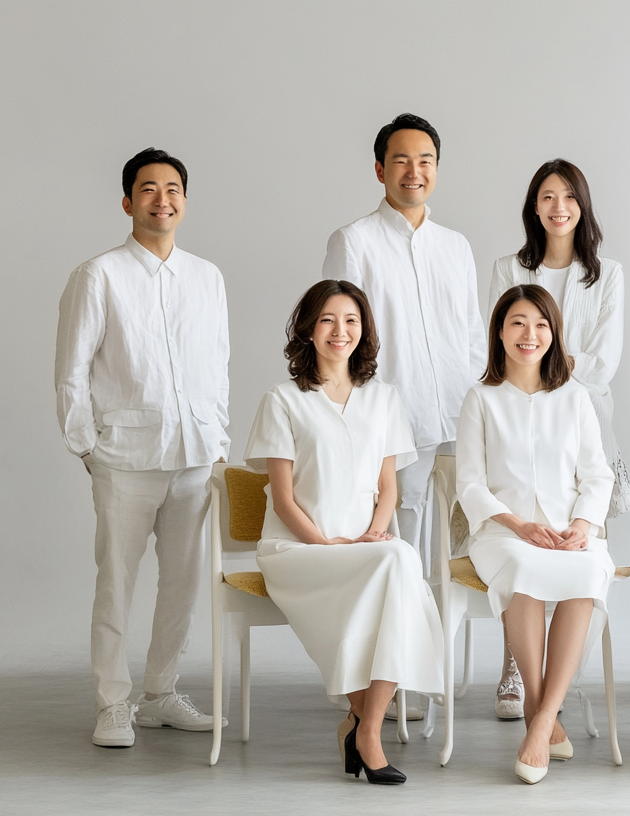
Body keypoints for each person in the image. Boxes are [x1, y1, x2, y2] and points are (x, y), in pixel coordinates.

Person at [56, 148, 229, 748]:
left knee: (182, 583)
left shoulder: (207, 277)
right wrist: (88, 445)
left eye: (174, 188)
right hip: (124, 458)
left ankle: (159, 694)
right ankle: (113, 702)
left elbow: (217, 364)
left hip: (195, 456)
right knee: (118, 582)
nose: (163, 199)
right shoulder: (98, 275)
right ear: (128, 201)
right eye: (149, 189)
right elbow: (72, 370)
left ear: (185, 200)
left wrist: (219, 437)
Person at [244, 280, 444, 785]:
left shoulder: (384, 398)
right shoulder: (284, 399)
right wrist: (325, 543)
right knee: (401, 568)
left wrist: (372, 535)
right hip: (299, 550)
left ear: (364, 330)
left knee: (396, 561)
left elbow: (388, 491)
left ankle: (365, 726)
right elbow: (283, 499)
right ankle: (366, 732)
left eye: (351, 320)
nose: (341, 330)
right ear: (309, 329)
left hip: (363, 551)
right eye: (329, 320)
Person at [487, 159, 630, 720]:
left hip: (585, 427)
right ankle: (514, 669)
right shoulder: (509, 267)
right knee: (523, 546)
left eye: (568, 196)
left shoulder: (608, 274)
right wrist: (542, 361)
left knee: (575, 546)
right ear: (534, 206)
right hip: (515, 425)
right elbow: (504, 344)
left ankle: (556, 682)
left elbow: (604, 360)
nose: (558, 206)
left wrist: (544, 362)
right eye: (547, 196)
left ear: (583, 206)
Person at [456, 284, 616, 784]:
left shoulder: (574, 397)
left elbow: (598, 475)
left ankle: (542, 716)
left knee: (587, 569)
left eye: (541, 324)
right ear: (500, 332)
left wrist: (582, 525)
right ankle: (538, 709)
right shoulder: (480, 399)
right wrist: (519, 524)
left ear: (554, 333)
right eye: (518, 323)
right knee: (523, 567)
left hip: (568, 531)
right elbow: (469, 483)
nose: (530, 335)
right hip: (502, 533)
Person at [322, 112, 488, 565]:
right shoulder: (353, 242)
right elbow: (338, 341)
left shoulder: (455, 246)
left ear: (436, 167)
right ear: (380, 170)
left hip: (459, 414)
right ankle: (408, 633)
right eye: (401, 161)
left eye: (426, 160)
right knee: (404, 536)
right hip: (396, 417)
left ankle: (444, 636)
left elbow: (473, 333)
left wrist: (481, 404)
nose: (414, 172)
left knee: (464, 539)